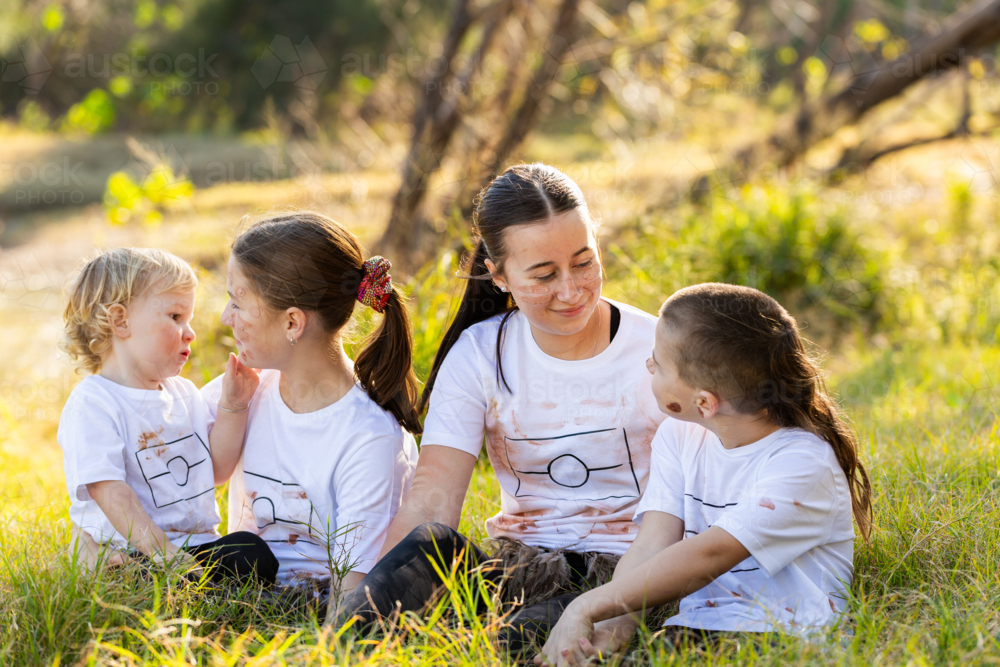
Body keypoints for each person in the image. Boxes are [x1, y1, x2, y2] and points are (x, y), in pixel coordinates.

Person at [333, 164, 668, 655]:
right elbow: (432, 501)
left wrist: (625, 607)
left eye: (584, 262)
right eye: (543, 275)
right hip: (521, 568)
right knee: (428, 546)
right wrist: (370, 594)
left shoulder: (659, 348)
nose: (571, 290)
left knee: (511, 640)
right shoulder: (478, 353)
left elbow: (688, 503)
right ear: (498, 274)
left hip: (630, 571)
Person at [535, 283, 874, 666]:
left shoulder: (801, 463)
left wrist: (587, 604)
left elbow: (711, 553)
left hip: (786, 638)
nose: (649, 365)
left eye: (659, 364)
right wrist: (615, 626)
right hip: (693, 631)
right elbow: (653, 543)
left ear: (704, 403)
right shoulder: (679, 435)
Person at [200, 212, 420, 599]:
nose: (225, 317)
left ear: (292, 324)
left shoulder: (370, 439)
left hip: (315, 608)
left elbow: (351, 599)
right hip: (244, 590)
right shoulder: (247, 390)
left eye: (237, 302)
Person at [58, 247, 278, 586]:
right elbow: (110, 491)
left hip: (195, 548)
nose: (189, 332)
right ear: (121, 321)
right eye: (176, 317)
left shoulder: (184, 393)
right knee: (136, 576)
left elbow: (215, 471)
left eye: (188, 320)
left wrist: (233, 406)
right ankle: (161, 582)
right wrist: (163, 552)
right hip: (132, 548)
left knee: (252, 553)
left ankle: (197, 587)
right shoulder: (94, 403)